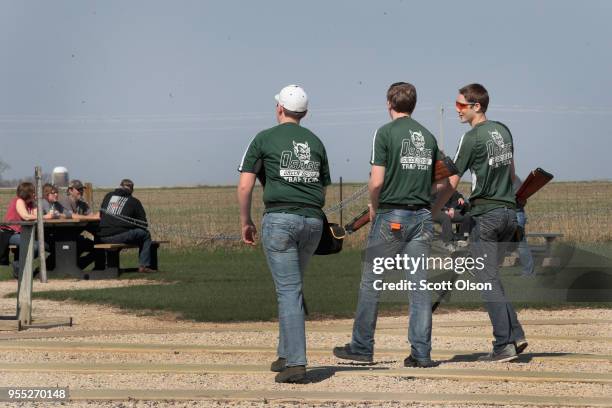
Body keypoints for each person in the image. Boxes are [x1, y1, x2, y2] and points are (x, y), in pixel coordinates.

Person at [332, 82, 443, 368]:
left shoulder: (384, 133)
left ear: (388, 103)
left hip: (391, 215)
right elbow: (442, 178)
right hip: (422, 217)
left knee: (372, 282)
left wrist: (372, 205)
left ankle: (361, 346)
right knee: (419, 286)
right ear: (414, 105)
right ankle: (421, 353)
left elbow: (377, 180)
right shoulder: (428, 137)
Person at [237, 84, 331, 383]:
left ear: (279, 108)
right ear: (304, 112)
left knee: (288, 291)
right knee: (293, 288)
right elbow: (322, 184)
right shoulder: (315, 142)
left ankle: (296, 362)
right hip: (313, 222)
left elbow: (245, 185)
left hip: (280, 220)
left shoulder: (263, 138)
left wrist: (245, 220)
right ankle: (284, 352)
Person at [433, 83, 527, 362]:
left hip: (486, 215)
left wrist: (434, 209)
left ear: (476, 106)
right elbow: (512, 173)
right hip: (509, 213)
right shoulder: (504, 131)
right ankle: (515, 334)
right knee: (492, 278)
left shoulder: (471, 138)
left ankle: (503, 345)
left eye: (461, 105)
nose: (457, 111)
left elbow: (452, 180)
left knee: (486, 280)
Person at [98, 179, 153, 273]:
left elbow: (101, 214)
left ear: (119, 186)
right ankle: (144, 266)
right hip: (119, 236)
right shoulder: (134, 201)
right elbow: (143, 223)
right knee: (146, 234)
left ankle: (107, 266)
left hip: (103, 236)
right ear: (131, 190)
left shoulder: (108, 196)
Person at [2, 182, 39, 277]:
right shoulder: (19, 201)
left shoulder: (31, 203)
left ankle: (20, 269)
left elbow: (37, 215)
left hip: (21, 233)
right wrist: (44, 216)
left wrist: (34, 203)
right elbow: (26, 216)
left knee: (40, 245)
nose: (35, 194)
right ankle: (18, 265)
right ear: (27, 192)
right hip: (9, 233)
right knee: (33, 246)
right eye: (33, 192)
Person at [513, 177, 535, 276]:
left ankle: (528, 272)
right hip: (502, 214)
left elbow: (523, 200)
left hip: (516, 213)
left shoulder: (515, 179)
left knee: (521, 243)